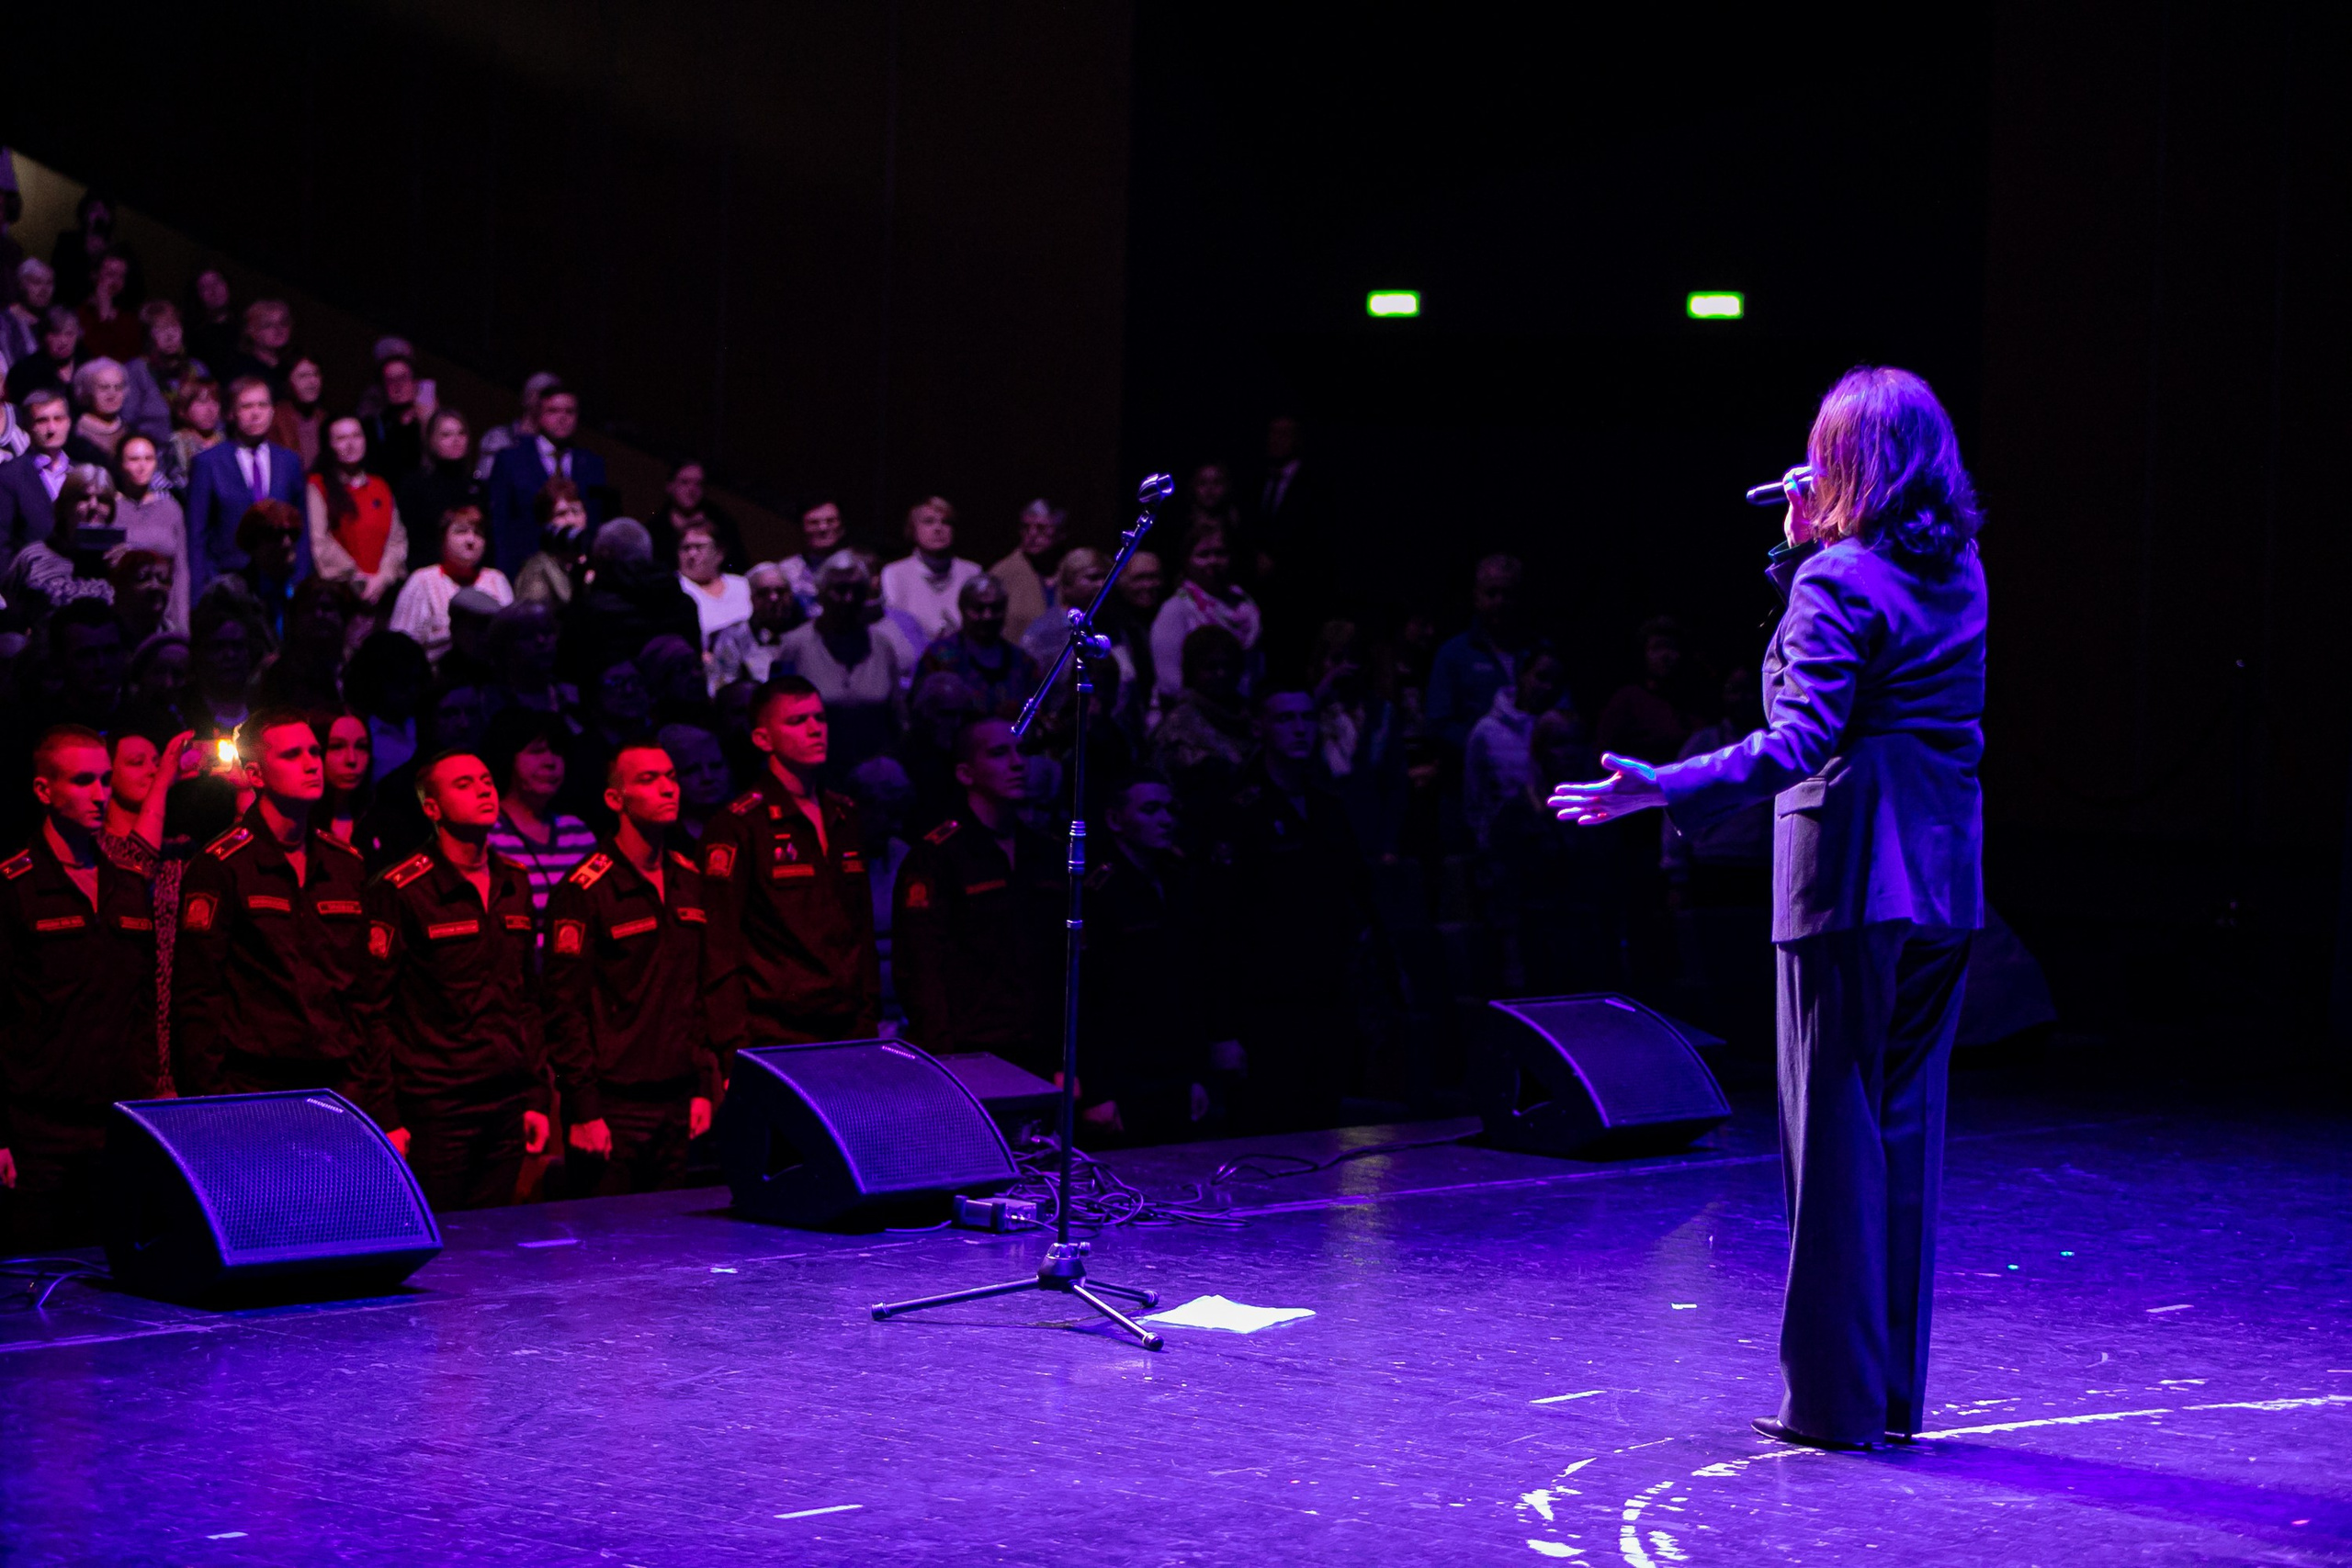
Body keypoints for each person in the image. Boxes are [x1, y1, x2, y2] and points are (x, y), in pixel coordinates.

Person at [1549, 367, 1987, 1452]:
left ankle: (1832, 1405)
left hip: (1848, 876)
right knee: (1900, 1133)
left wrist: (1661, 783)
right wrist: (1810, 548)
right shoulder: (1963, 569)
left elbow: (1800, 737)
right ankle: (1886, 1395)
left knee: (1831, 1136)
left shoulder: (1835, 576)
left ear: (1845, 464)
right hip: (1941, 874)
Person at [171, 710, 390, 1120]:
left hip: (337, 1086)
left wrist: (370, 1094)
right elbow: (197, 997)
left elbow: (365, 992)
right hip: (253, 1087)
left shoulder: (346, 864)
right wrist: (211, 1102)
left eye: (313, 751)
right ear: (256, 775)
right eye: (291, 755)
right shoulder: (222, 865)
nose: (311, 763)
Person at [361, 750, 552, 1209]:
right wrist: (386, 1114)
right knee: (447, 1239)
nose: (484, 790)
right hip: (436, 1105)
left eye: (486, 780)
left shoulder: (515, 880)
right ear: (432, 807)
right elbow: (372, 1010)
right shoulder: (402, 890)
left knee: (500, 1241)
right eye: (464, 784)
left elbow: (526, 996)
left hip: (505, 1098)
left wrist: (537, 1094)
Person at [0, 726, 164, 1247]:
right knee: (36, 1288)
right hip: (37, 1131)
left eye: (105, 781)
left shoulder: (128, 885)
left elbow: (144, 1007)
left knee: (116, 1294)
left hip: (118, 1123)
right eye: (83, 781)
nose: (100, 794)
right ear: (44, 790)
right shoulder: (15, 887)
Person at [543, 743, 718, 1196]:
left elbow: (696, 992)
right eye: (648, 780)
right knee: (609, 1252)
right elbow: (565, 1008)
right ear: (614, 800)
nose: (667, 789)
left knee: (676, 1245)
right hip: (614, 1103)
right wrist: (583, 1109)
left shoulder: (688, 878)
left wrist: (702, 1085)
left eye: (671, 777)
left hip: (678, 1097)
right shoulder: (587, 889)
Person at [1204, 686, 1382, 1133]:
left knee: (1324, 1129)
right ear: (1261, 727)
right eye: (1285, 719)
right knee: (1269, 1133)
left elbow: (1355, 901)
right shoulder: (1239, 812)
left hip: (1325, 1000)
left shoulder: (1329, 810)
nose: (1300, 729)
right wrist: (1222, 1029)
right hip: (1265, 1008)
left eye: (1306, 718)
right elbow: (1217, 926)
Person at [700, 677, 882, 1073]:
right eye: (798, 721)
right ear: (763, 739)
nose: (816, 729)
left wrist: (868, 1018)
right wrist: (734, 1048)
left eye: (820, 717)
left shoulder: (844, 814)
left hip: (850, 1027)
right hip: (776, 1036)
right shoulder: (739, 826)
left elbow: (860, 928)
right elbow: (719, 946)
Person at [890, 717, 1062, 1076]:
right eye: (999, 753)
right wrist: (944, 1058)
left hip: (1043, 1048)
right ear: (966, 773)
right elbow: (920, 970)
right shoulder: (936, 857)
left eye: (1022, 751)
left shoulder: (1046, 853)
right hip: (971, 1052)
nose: (1018, 763)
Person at [1078, 772, 1228, 1144]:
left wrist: (1197, 1072)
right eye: (1150, 809)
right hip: (1125, 1070)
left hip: (1173, 1065)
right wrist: (1097, 1090)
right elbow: (1088, 995)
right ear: (1116, 820)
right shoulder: (1099, 891)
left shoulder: (1178, 880)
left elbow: (1192, 980)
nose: (1165, 819)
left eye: (1169, 809)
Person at [769, 554, 906, 771]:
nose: (848, 599)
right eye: (840, 590)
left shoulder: (881, 646)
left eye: (856, 590)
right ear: (822, 594)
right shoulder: (794, 646)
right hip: (816, 773)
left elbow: (896, 718)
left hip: (873, 773)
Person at [187, 375, 307, 591]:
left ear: (272, 411)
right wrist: (201, 590)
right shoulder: (208, 463)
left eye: (262, 405)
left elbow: (303, 528)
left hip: (280, 580)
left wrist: (301, 581)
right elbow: (197, 535)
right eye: (246, 406)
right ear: (232, 413)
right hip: (227, 581)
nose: (255, 413)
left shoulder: (289, 462)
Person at [481, 706, 596, 927]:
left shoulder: (577, 832)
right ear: (508, 757)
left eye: (557, 752)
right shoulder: (487, 833)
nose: (550, 762)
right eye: (536, 751)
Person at [486, 381, 606, 579]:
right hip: (523, 570)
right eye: (553, 411)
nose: (562, 418)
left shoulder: (592, 464)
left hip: (578, 572)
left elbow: (596, 522)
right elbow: (500, 524)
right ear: (538, 414)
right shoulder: (511, 460)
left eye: (569, 412)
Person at [1464, 642, 1568, 850]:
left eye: (1556, 682)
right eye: (1541, 677)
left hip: (1557, 849)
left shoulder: (1566, 730)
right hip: (1504, 852)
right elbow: (1474, 797)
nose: (1548, 687)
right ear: (1522, 675)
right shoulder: (1487, 731)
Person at [1426, 554, 1527, 756]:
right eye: (1491, 593)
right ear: (1476, 597)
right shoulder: (1453, 654)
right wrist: (1489, 746)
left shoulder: (1538, 651)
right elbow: (1439, 723)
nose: (1500, 601)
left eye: (1508, 594)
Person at [306, 414, 408, 611]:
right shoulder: (317, 487)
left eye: (356, 436)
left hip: (385, 593)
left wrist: (383, 577)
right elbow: (319, 541)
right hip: (340, 594)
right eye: (341, 439)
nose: (351, 444)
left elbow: (397, 539)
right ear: (329, 445)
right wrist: (356, 578)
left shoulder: (380, 486)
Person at [1149, 521, 1261, 700]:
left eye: (1220, 553)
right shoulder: (1176, 609)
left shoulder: (1245, 605)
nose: (1213, 561)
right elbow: (1169, 682)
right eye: (1203, 555)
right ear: (1187, 560)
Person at [390, 506, 513, 664]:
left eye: (478, 533)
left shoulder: (496, 580)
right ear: (443, 538)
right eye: (461, 532)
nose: (471, 540)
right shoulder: (423, 581)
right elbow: (399, 644)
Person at [914, 573, 1041, 720]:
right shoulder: (939, 657)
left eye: (995, 608)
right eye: (978, 608)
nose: (988, 616)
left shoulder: (1022, 662)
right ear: (962, 608)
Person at [6, 465, 123, 615]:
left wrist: (124, 570)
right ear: (65, 506)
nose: (93, 506)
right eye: (83, 498)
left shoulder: (125, 562)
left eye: (102, 500)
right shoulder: (33, 558)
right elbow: (11, 618)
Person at [878, 495, 980, 645]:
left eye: (946, 522)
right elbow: (893, 631)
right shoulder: (895, 574)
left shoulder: (972, 572)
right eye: (929, 522)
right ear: (913, 529)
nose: (938, 528)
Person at [115, 434, 190, 633]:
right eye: (134, 459)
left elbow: (181, 570)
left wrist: (181, 622)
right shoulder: (111, 508)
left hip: (163, 613)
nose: (142, 466)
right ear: (121, 464)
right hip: (122, 614)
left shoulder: (170, 508)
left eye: (148, 459)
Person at [398, 408, 481, 571]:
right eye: (446, 435)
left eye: (461, 433)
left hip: (472, 576)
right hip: (429, 574)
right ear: (431, 440)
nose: (456, 440)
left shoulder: (478, 488)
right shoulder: (415, 486)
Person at [0, 388, 74, 570]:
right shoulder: (9, 476)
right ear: (26, 426)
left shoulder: (82, 473)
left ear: (69, 422)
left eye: (58, 419)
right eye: (42, 421)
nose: (51, 429)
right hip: (31, 585)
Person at [707, 561, 804, 691]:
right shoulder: (733, 637)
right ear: (751, 598)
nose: (774, 598)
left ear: (791, 595)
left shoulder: (809, 630)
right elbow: (723, 688)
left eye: (781, 591)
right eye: (763, 593)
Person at [122, 300, 208, 444]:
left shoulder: (197, 369)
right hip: (152, 452)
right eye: (160, 329)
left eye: (174, 327)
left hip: (196, 448)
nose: (169, 335)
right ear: (149, 335)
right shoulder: (137, 370)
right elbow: (127, 420)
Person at [989, 498, 1068, 646]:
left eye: (1041, 528)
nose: (1032, 534)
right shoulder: (1002, 573)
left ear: (1060, 532)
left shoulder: (1072, 569)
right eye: (1026, 527)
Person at [645, 458, 744, 573]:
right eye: (685, 482)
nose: (692, 490)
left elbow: (738, 565)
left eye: (698, 484)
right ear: (670, 486)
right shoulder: (655, 529)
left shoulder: (723, 523)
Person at [514, 476, 590, 606]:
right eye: (561, 514)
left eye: (576, 512)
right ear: (546, 523)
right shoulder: (538, 569)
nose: (571, 520)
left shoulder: (597, 562)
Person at [677, 518, 752, 650]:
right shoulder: (675, 588)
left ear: (719, 552)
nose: (692, 554)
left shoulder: (743, 585)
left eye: (699, 547)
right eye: (686, 548)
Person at [360, 354, 432, 479]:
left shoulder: (430, 424)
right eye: (390, 380)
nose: (398, 386)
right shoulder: (372, 428)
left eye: (403, 378)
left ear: (415, 382)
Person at [657, 721, 732, 840]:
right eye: (692, 770)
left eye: (715, 766)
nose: (707, 778)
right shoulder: (660, 836)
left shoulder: (750, 825)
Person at [779, 498, 850, 618]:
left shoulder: (859, 567)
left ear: (842, 528)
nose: (823, 528)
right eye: (814, 523)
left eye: (831, 521)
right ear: (801, 529)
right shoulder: (785, 572)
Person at [5, 305, 82, 406]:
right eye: (55, 334)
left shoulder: (86, 364)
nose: (63, 341)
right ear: (43, 336)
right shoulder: (24, 371)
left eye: (69, 334)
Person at [220, 299, 296, 400]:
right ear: (250, 330)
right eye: (268, 325)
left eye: (283, 323)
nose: (279, 330)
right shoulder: (241, 370)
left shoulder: (295, 363)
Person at [75, 250, 142, 363]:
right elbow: (93, 356)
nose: (116, 281)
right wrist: (103, 314)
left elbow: (130, 357)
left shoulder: (129, 318)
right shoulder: (81, 314)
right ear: (95, 275)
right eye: (110, 274)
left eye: (121, 276)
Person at [163, 376, 225, 494]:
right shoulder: (174, 445)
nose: (210, 409)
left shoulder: (228, 443)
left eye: (215, 401)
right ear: (184, 408)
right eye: (202, 402)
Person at [67, 356, 131, 463]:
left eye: (118, 387)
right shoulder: (74, 433)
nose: (112, 394)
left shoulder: (131, 431)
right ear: (86, 391)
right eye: (104, 388)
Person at [269, 354, 326, 468]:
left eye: (316, 374)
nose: (312, 382)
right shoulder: (274, 419)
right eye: (303, 376)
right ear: (287, 383)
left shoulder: (324, 418)